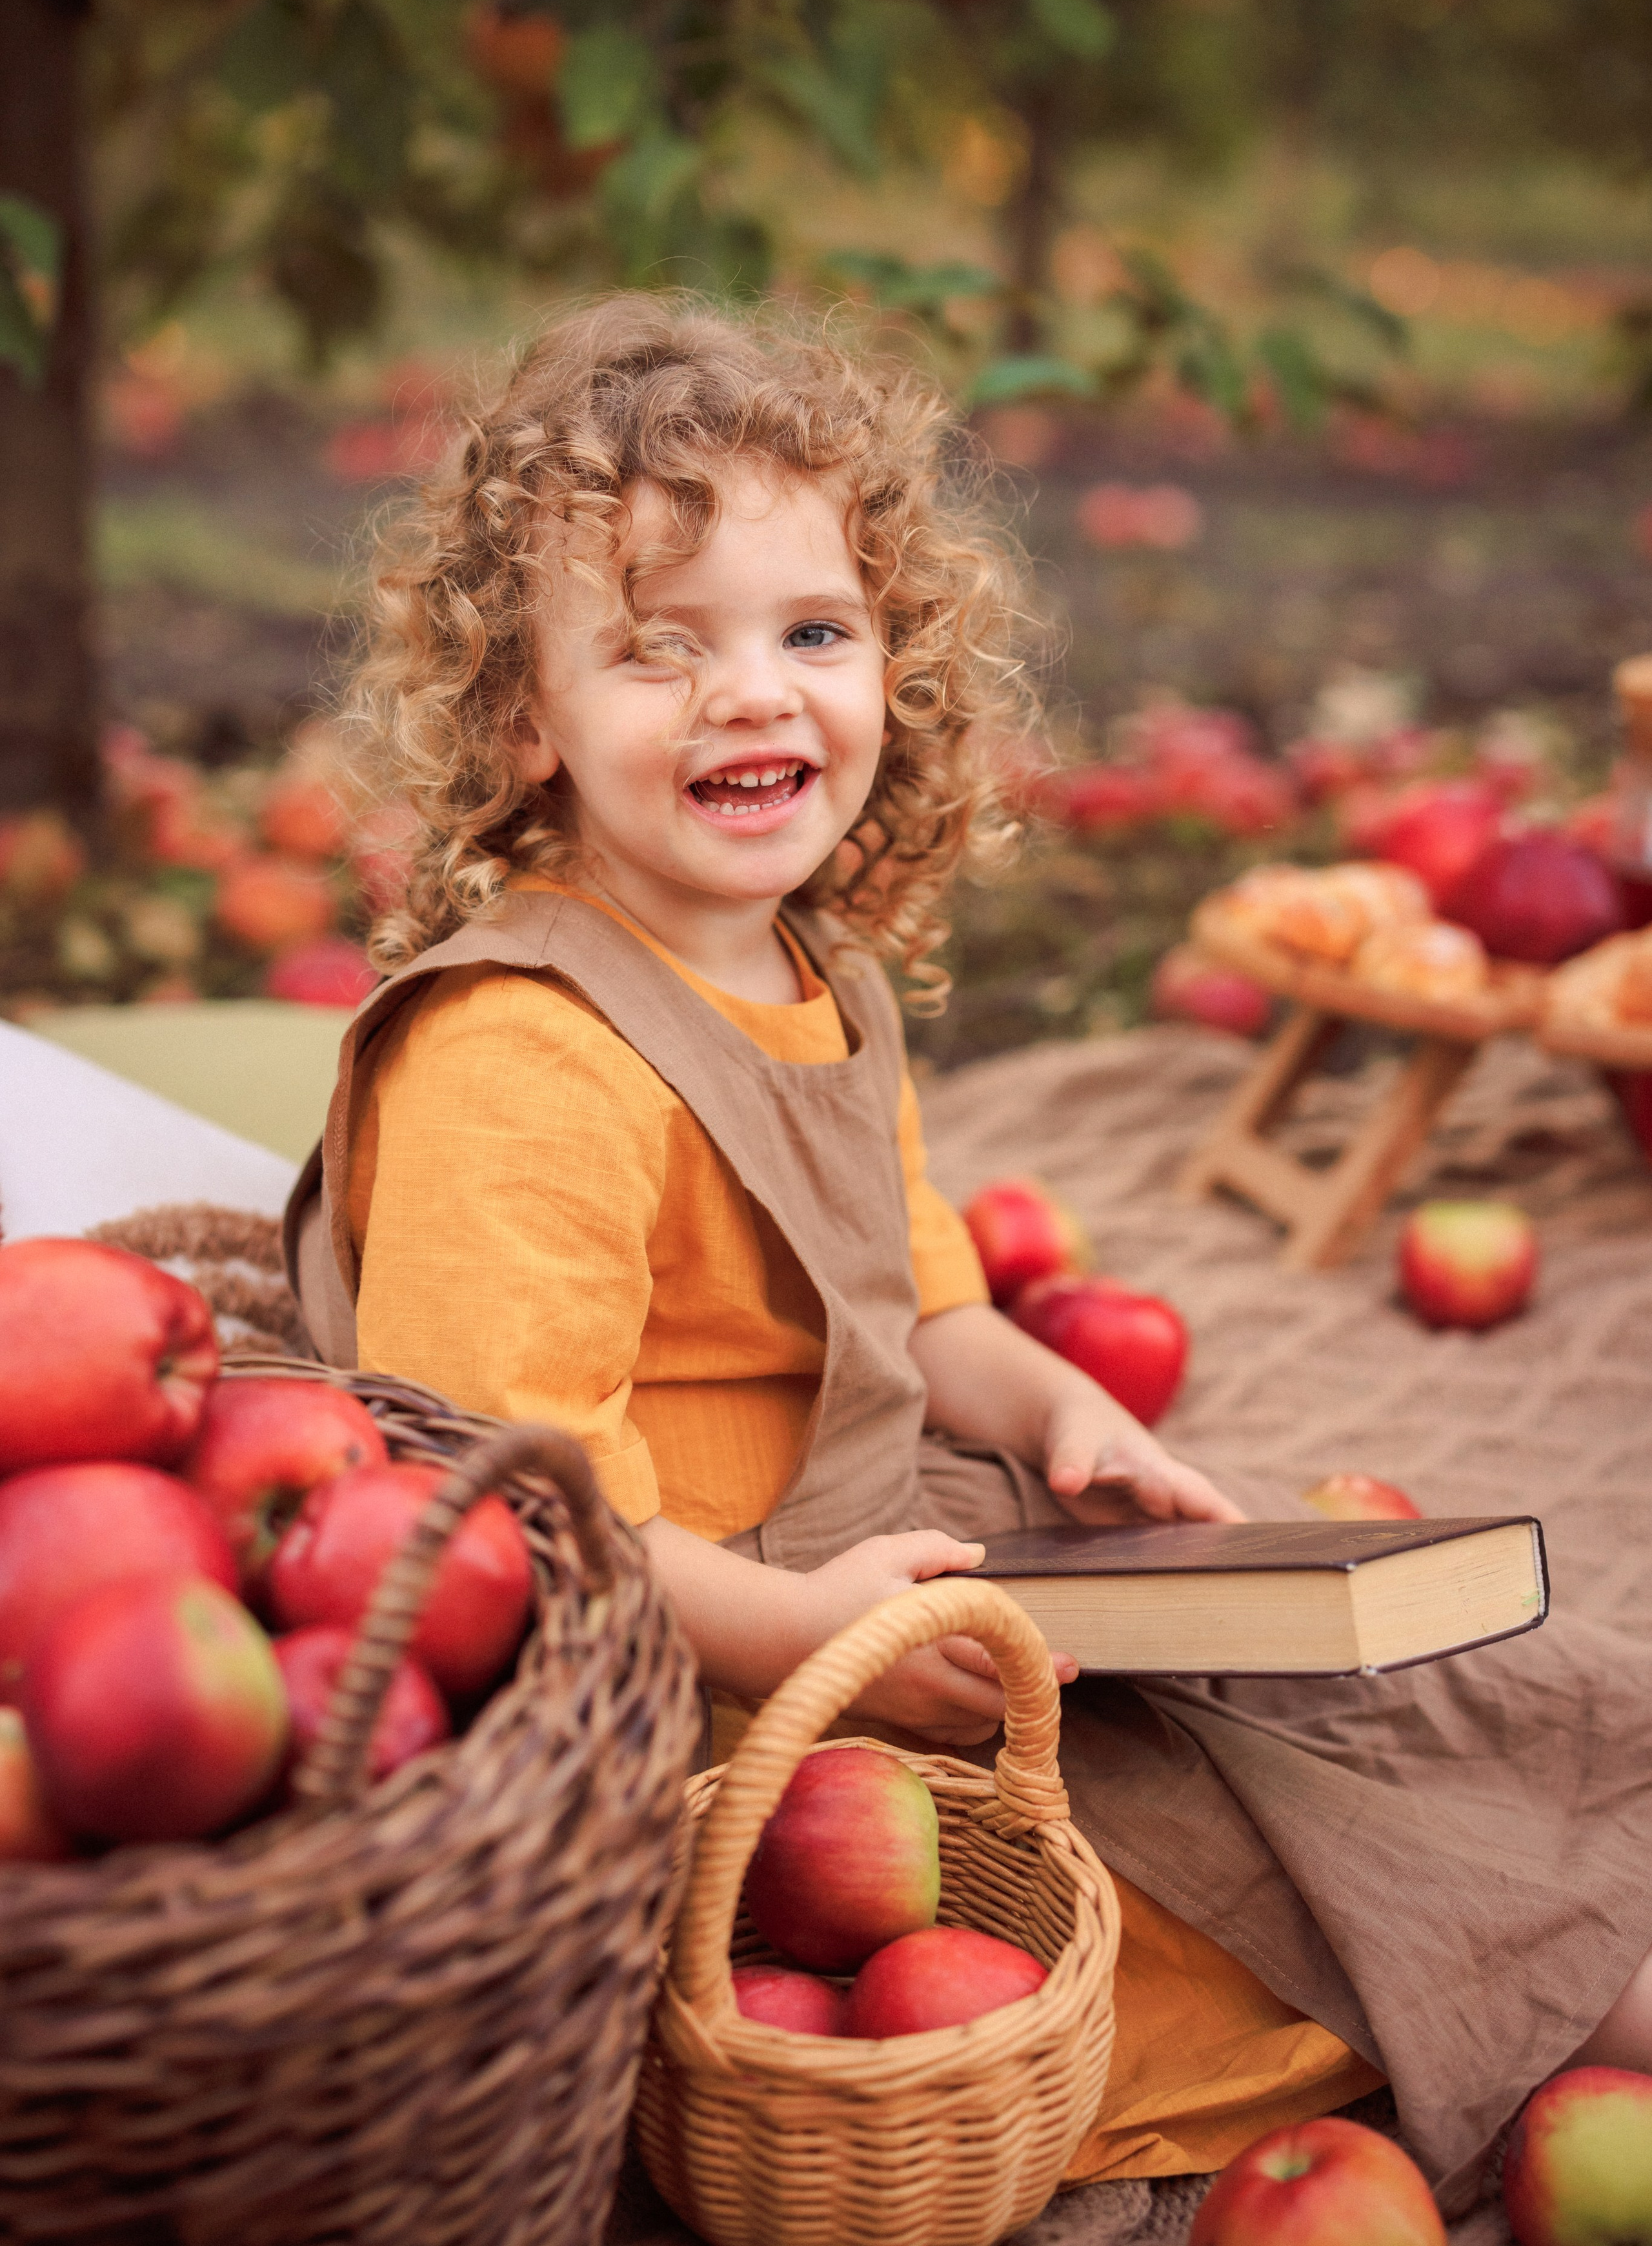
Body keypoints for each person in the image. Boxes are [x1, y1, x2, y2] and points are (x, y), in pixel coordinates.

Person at [287, 296, 1652, 2216]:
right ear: (525, 715)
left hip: (904, 1548)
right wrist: (826, 1637)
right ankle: (1544, 1992)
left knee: (1399, 1692)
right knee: (1223, 1848)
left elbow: (923, 1305)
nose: (752, 696)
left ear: (894, 664)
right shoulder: (518, 1057)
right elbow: (513, 1521)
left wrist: (1061, 1402)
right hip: (693, 1659)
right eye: (657, 651)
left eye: (811, 634)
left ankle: (1563, 1916)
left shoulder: (819, 971)